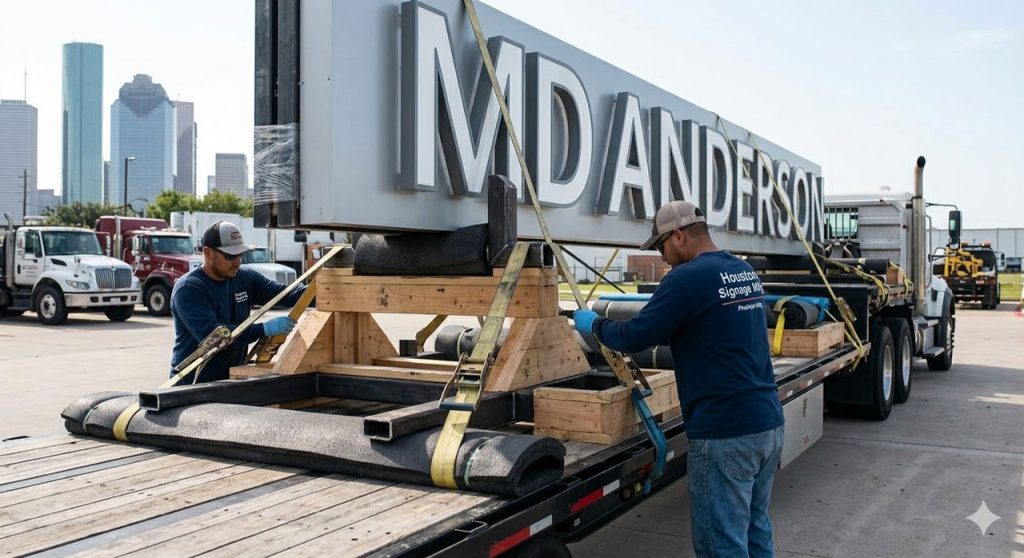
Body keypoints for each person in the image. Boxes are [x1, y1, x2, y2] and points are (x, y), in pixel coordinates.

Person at [573, 200, 785, 558]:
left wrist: (592, 324)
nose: (661, 256)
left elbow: (634, 337)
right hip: (767, 423)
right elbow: (721, 329)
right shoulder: (742, 271)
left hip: (724, 434)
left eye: (661, 246)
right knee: (754, 529)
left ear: (680, 236)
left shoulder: (686, 279)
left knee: (722, 546)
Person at [170, 221, 305, 383]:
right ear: (207, 252)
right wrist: (263, 329)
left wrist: (326, 286)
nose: (237, 261)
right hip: (194, 383)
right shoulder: (189, 289)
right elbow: (216, 338)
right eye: (230, 256)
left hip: (232, 379)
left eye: (240, 254)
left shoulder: (245, 278)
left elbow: (287, 294)